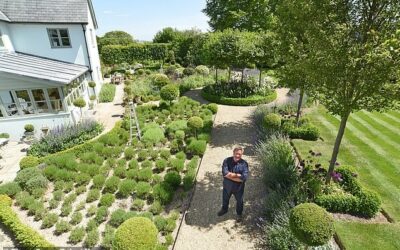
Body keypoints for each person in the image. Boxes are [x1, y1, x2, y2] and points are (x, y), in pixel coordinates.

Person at [217, 146, 249, 221]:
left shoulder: (244, 164)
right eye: (236, 153)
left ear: (242, 154)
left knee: (240, 202)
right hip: (227, 186)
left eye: (240, 154)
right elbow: (225, 173)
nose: (238, 155)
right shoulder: (226, 161)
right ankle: (224, 209)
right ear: (233, 152)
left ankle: (239, 214)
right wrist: (237, 175)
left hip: (238, 189)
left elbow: (244, 178)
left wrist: (230, 176)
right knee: (225, 199)